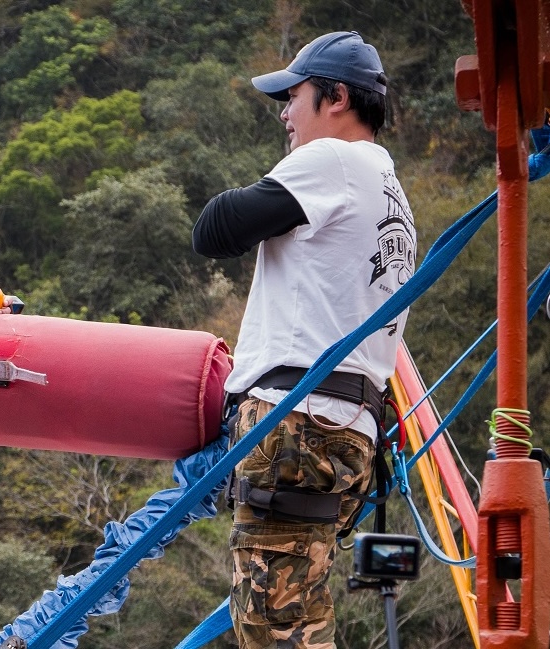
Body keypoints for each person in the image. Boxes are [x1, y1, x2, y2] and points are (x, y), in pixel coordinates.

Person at [192, 32, 416, 648]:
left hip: (300, 418)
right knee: (299, 618)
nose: (285, 116)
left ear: (337, 97)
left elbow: (215, 228)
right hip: (350, 429)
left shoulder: (337, 160)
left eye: (293, 98)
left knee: (274, 630)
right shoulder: (389, 188)